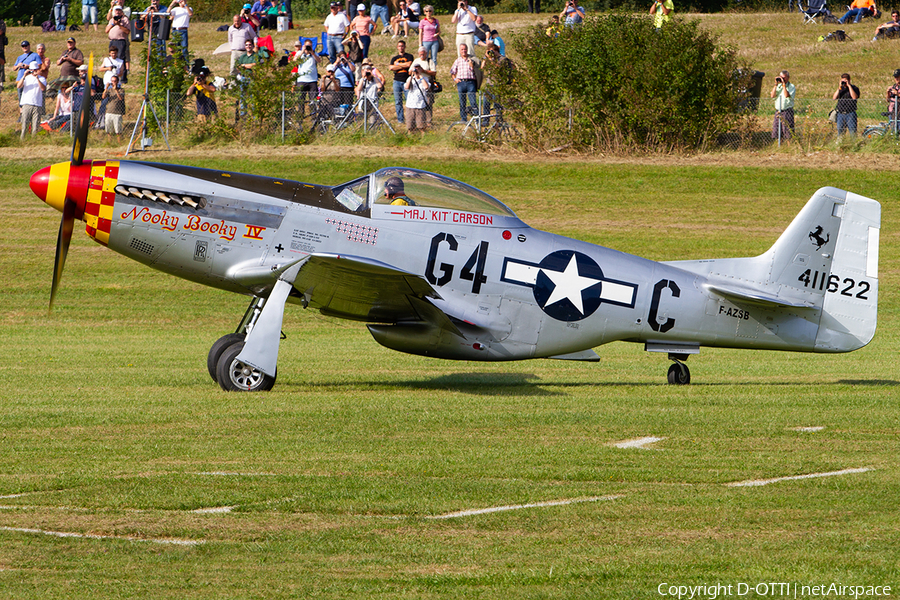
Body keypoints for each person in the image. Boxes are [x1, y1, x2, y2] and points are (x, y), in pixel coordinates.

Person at [17, 61, 47, 139]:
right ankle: (23, 140)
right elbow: (19, 86)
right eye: (32, 70)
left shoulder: (42, 78)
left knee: (35, 126)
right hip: (26, 103)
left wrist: (37, 78)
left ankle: (33, 141)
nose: (34, 71)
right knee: (24, 125)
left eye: (35, 69)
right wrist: (24, 76)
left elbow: (43, 88)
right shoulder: (26, 78)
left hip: (37, 104)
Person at [292, 39, 320, 118]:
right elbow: (294, 61)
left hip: (312, 80)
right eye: (307, 46)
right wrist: (302, 51)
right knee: (301, 100)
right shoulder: (299, 53)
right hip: (301, 80)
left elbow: (319, 61)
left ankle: (313, 117)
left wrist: (312, 53)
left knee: (313, 100)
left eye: (310, 46)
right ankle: (300, 117)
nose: (308, 47)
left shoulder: (314, 54)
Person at [450, 42, 477, 123]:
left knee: (473, 101)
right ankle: (463, 119)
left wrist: (472, 65)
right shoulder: (457, 60)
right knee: (462, 102)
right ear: (460, 51)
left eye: (465, 49)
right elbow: (452, 72)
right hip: (461, 83)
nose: (464, 51)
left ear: (467, 49)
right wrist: (455, 79)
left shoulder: (472, 59)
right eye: (462, 49)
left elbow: (478, 72)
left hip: (470, 82)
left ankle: (476, 118)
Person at [389, 39, 413, 124]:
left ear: (405, 47)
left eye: (402, 46)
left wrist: (397, 65)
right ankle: (400, 120)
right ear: (397, 47)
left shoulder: (409, 56)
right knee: (398, 102)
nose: (401, 47)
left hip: (406, 80)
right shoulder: (394, 58)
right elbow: (391, 68)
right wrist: (403, 66)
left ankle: (410, 119)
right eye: (399, 46)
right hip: (397, 81)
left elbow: (408, 64)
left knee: (409, 101)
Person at [411, 45, 435, 127]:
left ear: (426, 53)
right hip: (417, 83)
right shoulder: (416, 61)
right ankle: (419, 121)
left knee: (428, 102)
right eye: (420, 54)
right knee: (418, 102)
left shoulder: (429, 61)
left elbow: (434, 72)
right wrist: (415, 72)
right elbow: (409, 71)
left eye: (423, 54)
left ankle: (428, 121)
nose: (422, 55)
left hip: (427, 82)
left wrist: (423, 71)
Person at [106, 6, 131, 84]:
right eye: (116, 10)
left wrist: (119, 25)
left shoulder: (125, 19)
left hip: (120, 41)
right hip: (112, 41)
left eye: (119, 10)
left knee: (120, 58)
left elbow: (127, 31)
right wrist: (113, 23)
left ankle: (122, 78)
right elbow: (106, 30)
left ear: (121, 11)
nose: (118, 12)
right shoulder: (112, 19)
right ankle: (112, 76)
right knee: (112, 58)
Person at [771, 70, 796, 141]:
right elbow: (772, 95)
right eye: (781, 78)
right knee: (777, 130)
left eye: (784, 78)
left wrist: (784, 85)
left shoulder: (791, 86)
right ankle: (780, 145)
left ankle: (789, 146)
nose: (782, 79)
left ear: (788, 77)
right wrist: (775, 85)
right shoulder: (778, 86)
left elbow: (786, 95)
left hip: (787, 111)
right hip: (778, 111)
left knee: (788, 131)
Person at [404, 63, 430, 132]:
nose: (416, 69)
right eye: (415, 68)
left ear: (421, 69)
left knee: (421, 127)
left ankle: (423, 139)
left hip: (420, 105)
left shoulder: (425, 79)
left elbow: (426, 87)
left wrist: (420, 76)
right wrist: (412, 76)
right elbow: (406, 87)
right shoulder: (410, 79)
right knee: (410, 127)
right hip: (410, 105)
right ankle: (411, 139)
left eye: (418, 68)